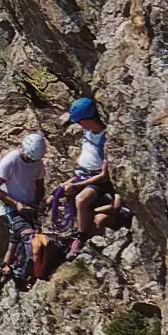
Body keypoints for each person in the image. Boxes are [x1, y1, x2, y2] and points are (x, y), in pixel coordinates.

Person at [0, 118, 56, 284]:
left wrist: (37, 203)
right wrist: (16, 204)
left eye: (33, 160)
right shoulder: (11, 160)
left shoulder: (37, 163)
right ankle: (23, 275)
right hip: (10, 209)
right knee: (29, 238)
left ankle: (7, 267)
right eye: (29, 159)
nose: (31, 162)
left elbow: (39, 186)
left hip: (28, 208)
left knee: (15, 242)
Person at [62, 90, 114, 246]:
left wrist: (78, 185)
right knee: (55, 195)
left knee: (81, 200)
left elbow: (105, 175)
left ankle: (80, 238)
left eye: (79, 121)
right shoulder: (88, 130)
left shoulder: (106, 138)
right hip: (82, 174)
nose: (78, 125)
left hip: (96, 179)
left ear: (87, 119)